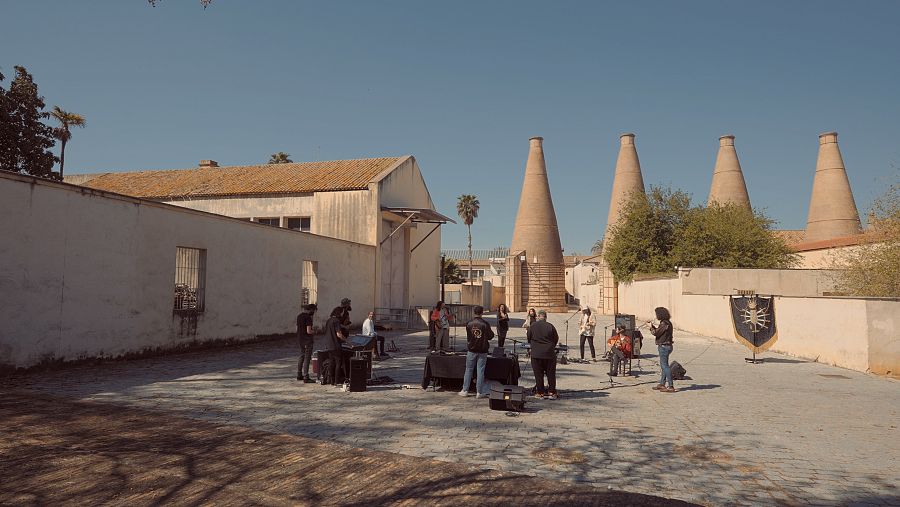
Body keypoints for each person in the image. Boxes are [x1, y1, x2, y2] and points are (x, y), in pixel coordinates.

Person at [459, 305, 495, 399]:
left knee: (468, 370)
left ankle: (465, 390)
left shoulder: (469, 323)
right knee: (480, 371)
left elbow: (469, 336)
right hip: (482, 350)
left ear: (474, 312)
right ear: (482, 313)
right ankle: (479, 392)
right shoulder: (485, 324)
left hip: (471, 349)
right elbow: (491, 336)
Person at [527, 309, 560, 400]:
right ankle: (551, 392)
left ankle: (540, 393)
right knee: (551, 374)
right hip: (549, 353)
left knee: (538, 374)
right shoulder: (550, 326)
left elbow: (529, 338)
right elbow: (555, 338)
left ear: (538, 316)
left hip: (536, 354)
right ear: (545, 317)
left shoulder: (533, 326)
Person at [649, 306, 676, 392]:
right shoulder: (666, 323)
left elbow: (656, 333)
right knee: (664, 365)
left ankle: (671, 386)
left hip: (664, 347)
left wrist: (650, 327)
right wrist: (653, 326)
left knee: (664, 366)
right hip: (667, 346)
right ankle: (662, 384)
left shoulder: (664, 323)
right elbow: (659, 331)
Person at [323, 306, 348, 386]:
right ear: (339, 313)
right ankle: (337, 381)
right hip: (335, 345)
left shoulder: (329, 320)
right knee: (338, 363)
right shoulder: (336, 321)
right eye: (342, 313)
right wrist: (346, 340)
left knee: (331, 362)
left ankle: (331, 380)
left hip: (329, 345)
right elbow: (339, 334)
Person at [296, 303, 317, 383]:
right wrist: (314, 331)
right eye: (314, 310)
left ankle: (299, 374)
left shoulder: (299, 316)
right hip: (307, 340)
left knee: (301, 356)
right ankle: (306, 376)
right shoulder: (308, 317)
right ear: (311, 309)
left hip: (300, 339)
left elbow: (298, 328)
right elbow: (309, 331)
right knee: (307, 358)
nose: (314, 312)